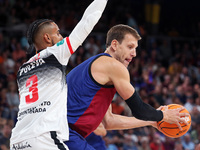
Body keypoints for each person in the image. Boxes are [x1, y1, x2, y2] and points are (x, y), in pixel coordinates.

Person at [65, 24, 189, 149]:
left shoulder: (101, 66)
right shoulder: (113, 66)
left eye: (135, 49)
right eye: (130, 47)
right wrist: (163, 115)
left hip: (66, 133)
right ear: (114, 45)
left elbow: (109, 121)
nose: (134, 54)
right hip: (65, 132)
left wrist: (152, 121)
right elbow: (139, 110)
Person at [10, 0, 109, 149]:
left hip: (18, 140)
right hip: (43, 137)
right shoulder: (55, 53)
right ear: (47, 38)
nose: (61, 37)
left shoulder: (22, 70)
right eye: (57, 33)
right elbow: (87, 21)